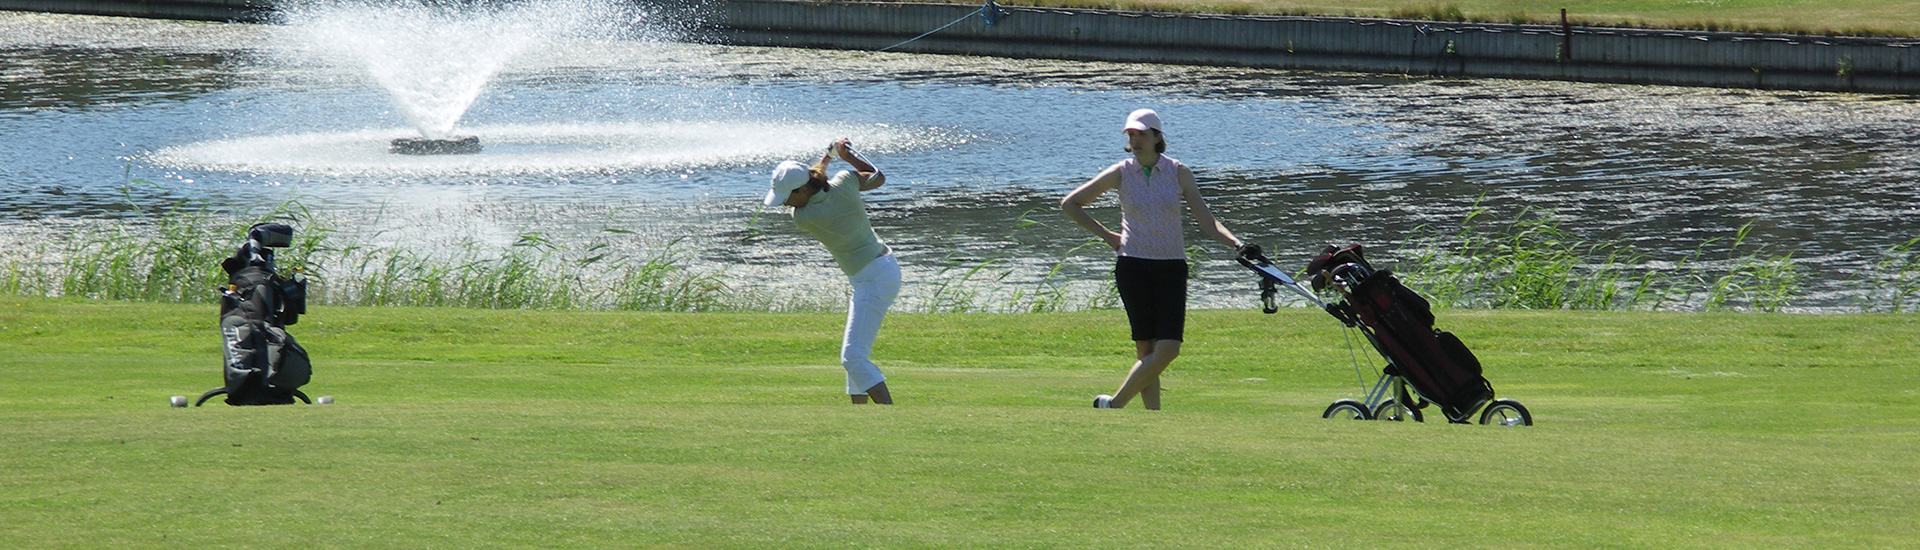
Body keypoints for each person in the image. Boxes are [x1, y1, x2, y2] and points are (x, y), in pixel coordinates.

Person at [1060, 108, 1249, 410]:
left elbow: (1207, 221)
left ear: (1157, 137)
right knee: (1146, 351)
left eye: (1141, 134)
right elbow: (1071, 204)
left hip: (1171, 266)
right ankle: (1153, 419)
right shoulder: (1121, 172)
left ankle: (1115, 404)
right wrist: (1109, 236)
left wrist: (1237, 243)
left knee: (1168, 349)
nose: (1135, 140)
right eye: (1131, 135)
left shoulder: (1178, 172)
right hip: (1133, 266)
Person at [765, 138, 900, 404]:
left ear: (803, 191)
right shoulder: (845, 182)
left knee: (852, 357)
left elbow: (819, 181)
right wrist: (845, 155)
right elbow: (877, 177)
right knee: (855, 353)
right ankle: (859, 414)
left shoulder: (803, 218)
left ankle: (891, 415)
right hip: (879, 270)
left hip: (874, 277)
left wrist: (827, 159)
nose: (785, 205)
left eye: (788, 198)